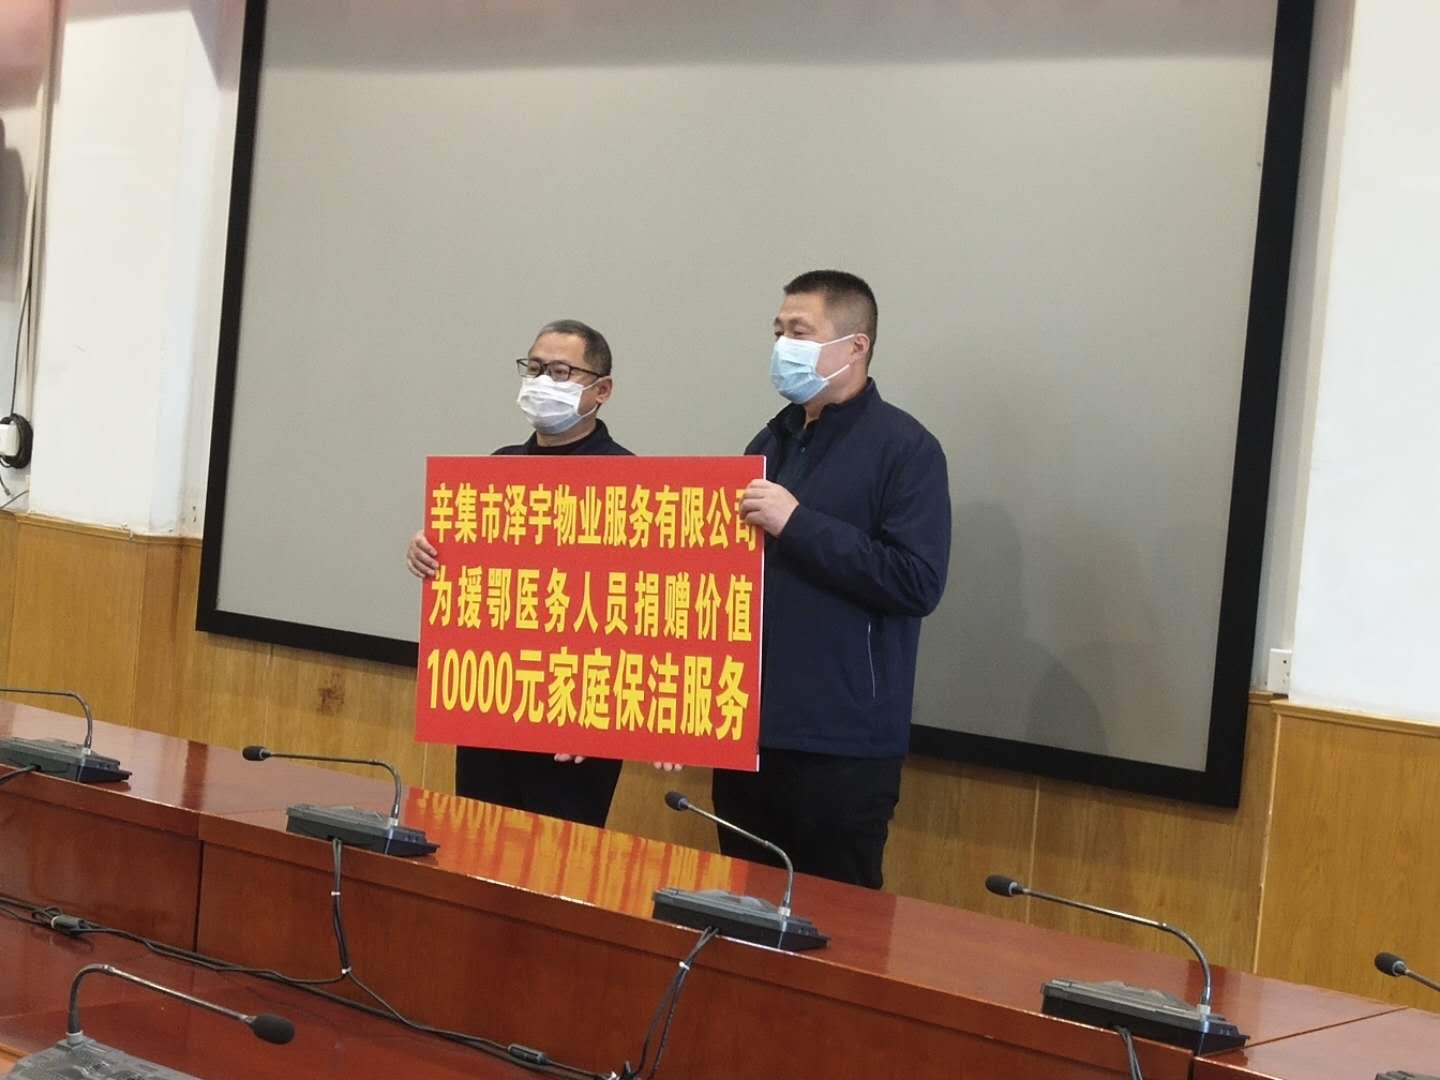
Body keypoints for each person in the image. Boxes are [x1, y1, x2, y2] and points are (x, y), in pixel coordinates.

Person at [716, 270, 952, 889]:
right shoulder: (771, 439)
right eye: (778, 332)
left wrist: (798, 523)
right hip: (749, 733)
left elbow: (917, 581)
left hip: (841, 747)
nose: (782, 346)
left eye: (799, 332)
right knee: (741, 913)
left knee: (835, 924)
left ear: (856, 346)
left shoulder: (906, 448)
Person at [405, 318, 652, 827]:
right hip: (492, 709)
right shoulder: (498, 469)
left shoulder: (631, 480)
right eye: (534, 368)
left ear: (602, 390)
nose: (542, 382)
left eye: (560, 372)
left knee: (559, 859)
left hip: (577, 725)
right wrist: (431, 551)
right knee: (474, 846)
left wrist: (602, 714)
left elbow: (642, 609)